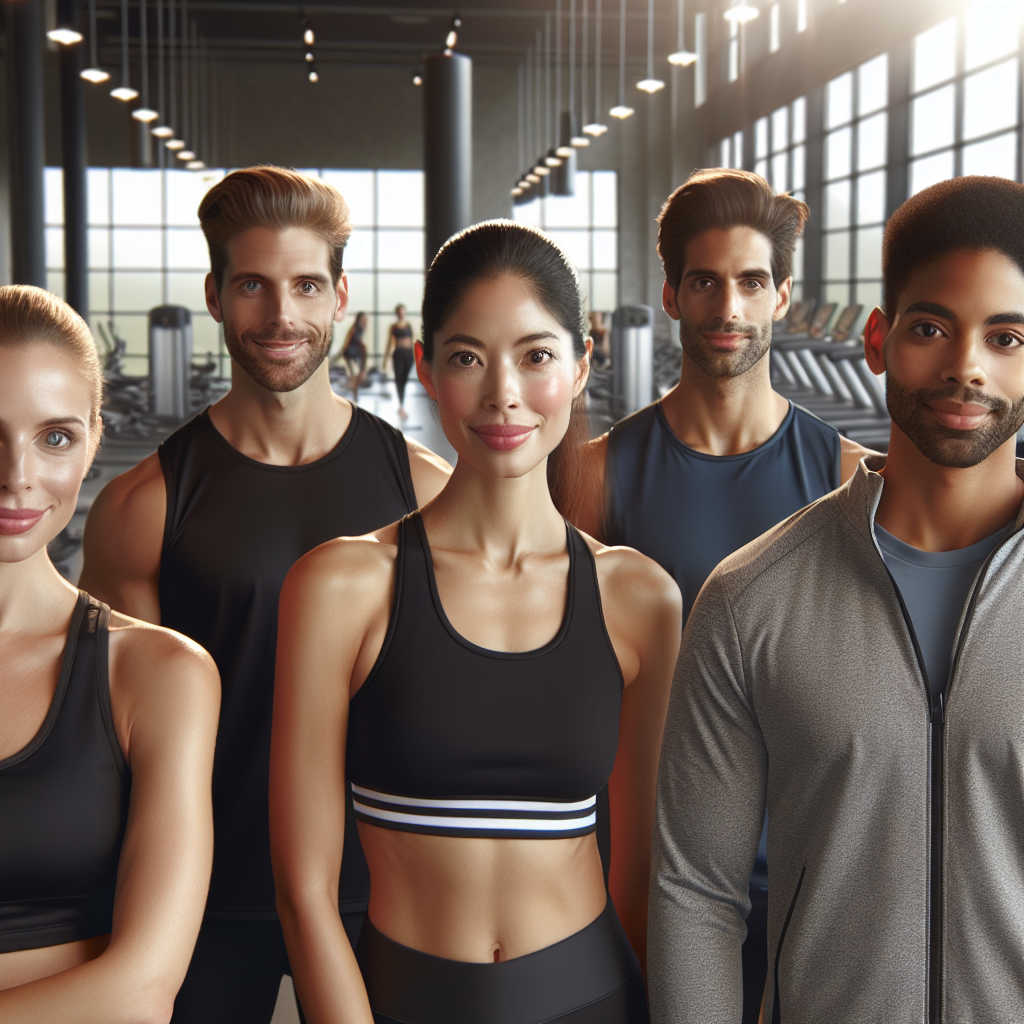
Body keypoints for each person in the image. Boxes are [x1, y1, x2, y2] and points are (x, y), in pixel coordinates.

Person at [270, 221, 682, 1024]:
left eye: (536, 355)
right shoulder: (342, 587)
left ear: (581, 362)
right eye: (467, 357)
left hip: (593, 996)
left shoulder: (640, 599)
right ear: (424, 368)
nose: (503, 393)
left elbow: (645, 881)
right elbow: (305, 888)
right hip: (401, 999)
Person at [79, 167, 451, 1024]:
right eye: (253, 284)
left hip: (382, 892)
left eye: (306, 285)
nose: (282, 316)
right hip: (199, 898)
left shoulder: (425, 492)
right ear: (215, 294)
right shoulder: (144, 507)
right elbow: (108, 748)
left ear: (341, 296)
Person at [649, 175, 1024, 1023]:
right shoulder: (750, 600)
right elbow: (696, 893)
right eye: (933, 328)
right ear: (878, 339)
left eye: (1006, 337)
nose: (968, 367)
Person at [570, 169, 876, 1020]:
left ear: (781, 294)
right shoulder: (597, 477)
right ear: (672, 294)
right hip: (647, 867)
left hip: (807, 874)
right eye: (704, 280)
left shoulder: (846, 477)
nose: (727, 305)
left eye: (750, 282)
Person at [0, 285, 219, 1022]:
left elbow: (142, 990)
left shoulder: (156, 675)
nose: (18, 477)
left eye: (53, 437)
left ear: (95, 437)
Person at [384, 303, 415, 418]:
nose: (401, 313)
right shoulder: (394, 327)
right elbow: (389, 342)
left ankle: (402, 404)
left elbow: (412, 341)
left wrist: (417, 356)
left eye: (403, 311)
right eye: (399, 312)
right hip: (398, 354)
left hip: (408, 355)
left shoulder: (408, 325)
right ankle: (401, 406)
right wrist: (385, 359)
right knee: (398, 380)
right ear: (397, 313)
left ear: (404, 312)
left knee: (404, 381)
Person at [336, 311, 368, 399]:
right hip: (349, 352)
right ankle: (354, 391)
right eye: (363, 318)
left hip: (356, 352)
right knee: (353, 373)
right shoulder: (354, 328)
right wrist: (342, 351)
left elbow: (361, 340)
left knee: (356, 374)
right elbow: (348, 338)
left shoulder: (362, 327)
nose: (365, 320)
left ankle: (355, 389)